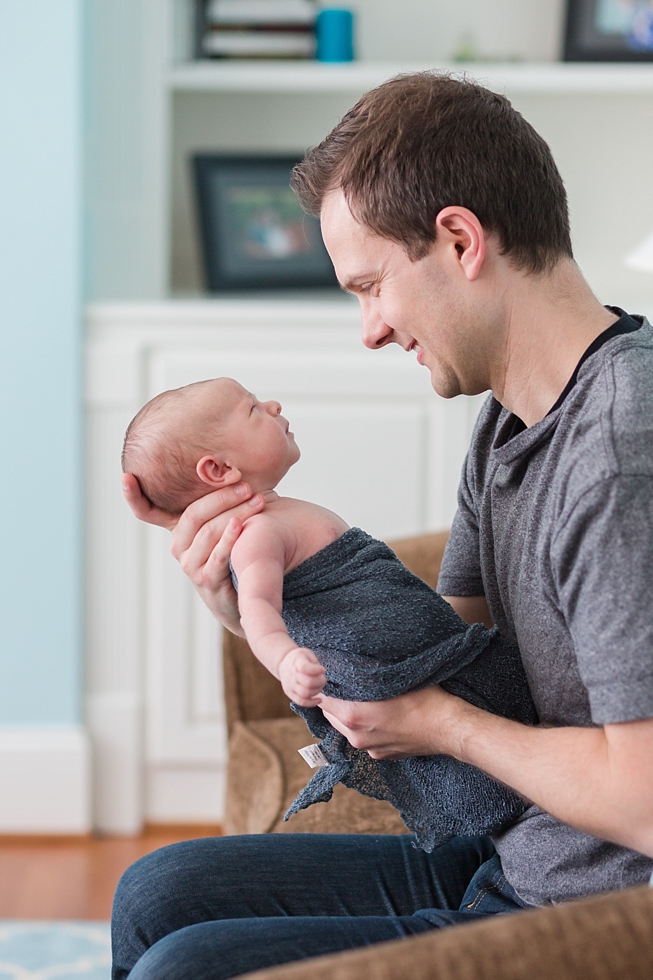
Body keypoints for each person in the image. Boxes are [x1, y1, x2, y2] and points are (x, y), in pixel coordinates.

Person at [114, 71, 653, 980]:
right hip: (518, 848)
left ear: (458, 239)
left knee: (189, 967)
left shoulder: (620, 451)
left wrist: (436, 723)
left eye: (370, 286)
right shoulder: (510, 418)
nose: (368, 330)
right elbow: (444, 646)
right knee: (158, 892)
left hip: (595, 903)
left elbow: (642, 801)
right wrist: (244, 599)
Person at [120, 376, 536, 849]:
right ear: (218, 469)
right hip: (381, 671)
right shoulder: (256, 534)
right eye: (253, 409)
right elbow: (257, 607)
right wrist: (284, 660)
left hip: (415, 645)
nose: (272, 404)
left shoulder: (275, 516)